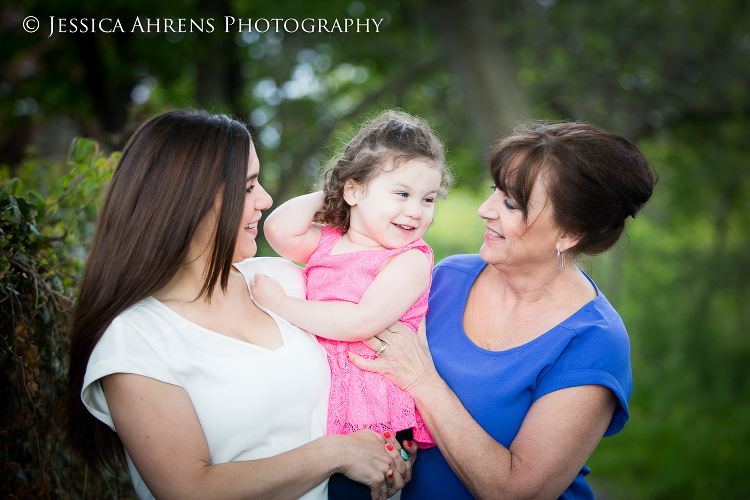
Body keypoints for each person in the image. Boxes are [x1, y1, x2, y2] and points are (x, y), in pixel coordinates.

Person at [63, 109, 413, 500]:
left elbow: (369, 365)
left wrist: (390, 444)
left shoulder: (283, 279)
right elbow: (188, 490)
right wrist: (335, 453)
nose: (265, 199)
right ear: (187, 201)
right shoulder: (135, 339)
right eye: (248, 187)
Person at [350, 121, 656, 499]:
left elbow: (517, 492)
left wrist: (422, 382)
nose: (485, 210)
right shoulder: (447, 277)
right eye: (495, 189)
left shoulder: (593, 341)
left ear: (569, 233)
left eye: (511, 203)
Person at [250, 110, 452, 499]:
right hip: (324, 395)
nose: (416, 210)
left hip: (378, 409)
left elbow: (360, 320)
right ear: (354, 190)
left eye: (428, 199)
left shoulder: (410, 259)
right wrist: (333, 194)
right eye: (402, 193)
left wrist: (280, 305)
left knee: (359, 488)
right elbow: (277, 229)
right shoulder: (328, 241)